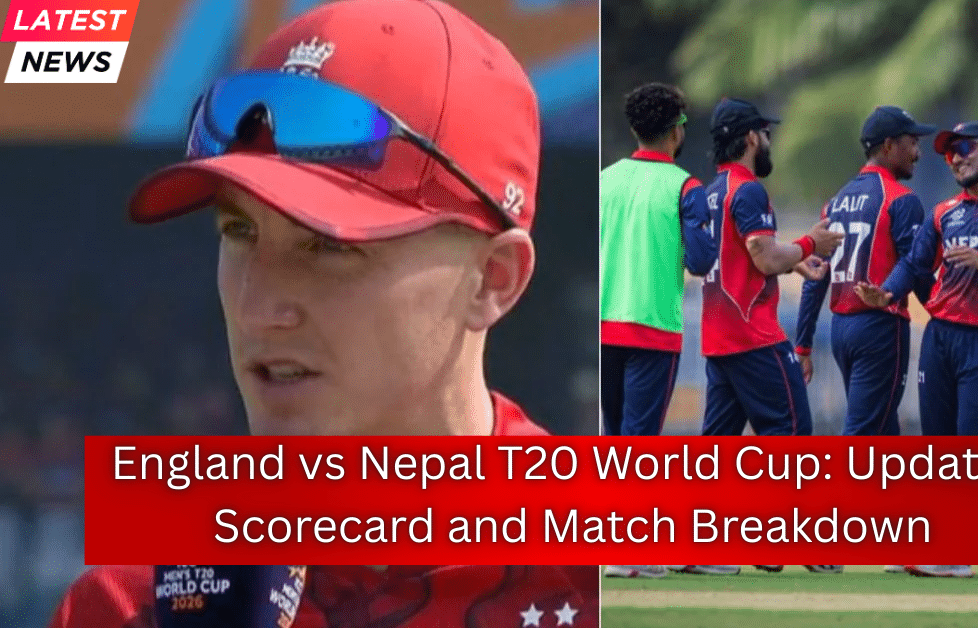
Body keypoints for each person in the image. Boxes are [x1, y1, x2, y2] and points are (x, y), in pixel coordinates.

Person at [48, 1, 597, 626]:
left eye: (329, 246)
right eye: (238, 230)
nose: (258, 308)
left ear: (492, 280)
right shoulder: (126, 603)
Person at [857, 122, 978, 579]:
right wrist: (887, 293)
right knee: (939, 446)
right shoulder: (945, 211)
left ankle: (956, 553)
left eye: (965, 148)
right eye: (949, 153)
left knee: (970, 445)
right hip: (940, 334)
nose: (957, 158)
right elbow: (914, 263)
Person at [700, 98, 842, 438]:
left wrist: (794, 263)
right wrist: (810, 243)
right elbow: (764, 258)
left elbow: (740, 255)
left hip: (720, 342)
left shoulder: (710, 192)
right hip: (754, 338)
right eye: (766, 134)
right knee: (791, 431)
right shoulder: (747, 189)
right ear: (751, 137)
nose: (768, 142)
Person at [795, 105, 935, 437]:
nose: (917, 152)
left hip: (841, 331)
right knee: (863, 432)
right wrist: (946, 314)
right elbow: (915, 267)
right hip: (880, 330)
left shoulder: (834, 203)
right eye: (912, 142)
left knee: (883, 427)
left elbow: (816, 277)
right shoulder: (901, 199)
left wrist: (803, 345)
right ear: (888, 145)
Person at [600, 82, 715, 438]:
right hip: (654, 331)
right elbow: (700, 261)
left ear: (635, 130)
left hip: (604, 329)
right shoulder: (686, 187)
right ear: (677, 130)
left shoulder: (605, 179)